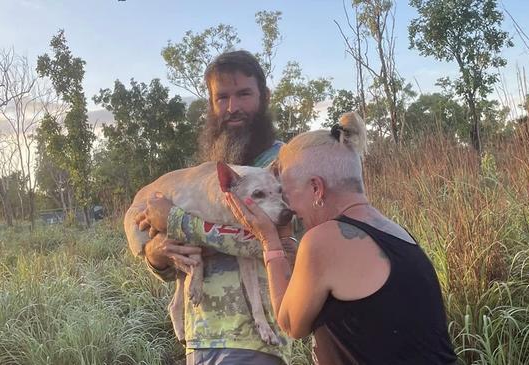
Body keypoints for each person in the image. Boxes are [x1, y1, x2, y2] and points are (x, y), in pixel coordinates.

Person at [224, 112, 458, 364]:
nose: (288, 206)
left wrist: (268, 240)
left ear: (316, 188)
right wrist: (290, 247)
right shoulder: (395, 232)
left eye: (288, 193)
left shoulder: (323, 240)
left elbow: (290, 323)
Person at [130, 50, 295, 365]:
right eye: (222, 98)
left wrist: (177, 222)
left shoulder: (288, 165)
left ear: (265, 97)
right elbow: (170, 266)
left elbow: (285, 244)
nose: (232, 108)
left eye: (243, 94)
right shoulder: (202, 178)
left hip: (256, 343)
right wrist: (158, 253)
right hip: (199, 340)